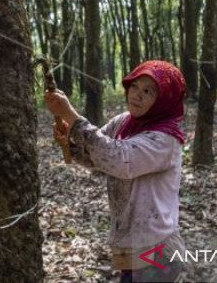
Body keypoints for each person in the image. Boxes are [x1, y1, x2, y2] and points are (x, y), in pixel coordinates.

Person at [44, 60, 187, 283]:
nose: (137, 95)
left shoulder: (165, 139)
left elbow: (119, 159)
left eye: (148, 91)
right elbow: (97, 156)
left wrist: (71, 116)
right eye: (135, 87)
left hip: (157, 251)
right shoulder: (125, 121)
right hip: (132, 245)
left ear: (163, 101)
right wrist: (70, 144)